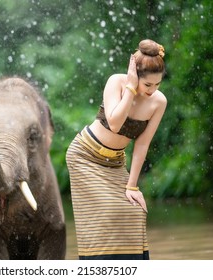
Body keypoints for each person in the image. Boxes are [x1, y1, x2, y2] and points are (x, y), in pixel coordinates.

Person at [66, 39, 167, 260]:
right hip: (85, 156)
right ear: (135, 75)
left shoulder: (159, 102)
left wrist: (132, 185)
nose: (153, 90)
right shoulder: (117, 82)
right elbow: (114, 123)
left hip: (115, 163)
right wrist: (130, 88)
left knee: (135, 212)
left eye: (158, 84)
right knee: (111, 212)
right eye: (148, 85)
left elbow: (142, 142)